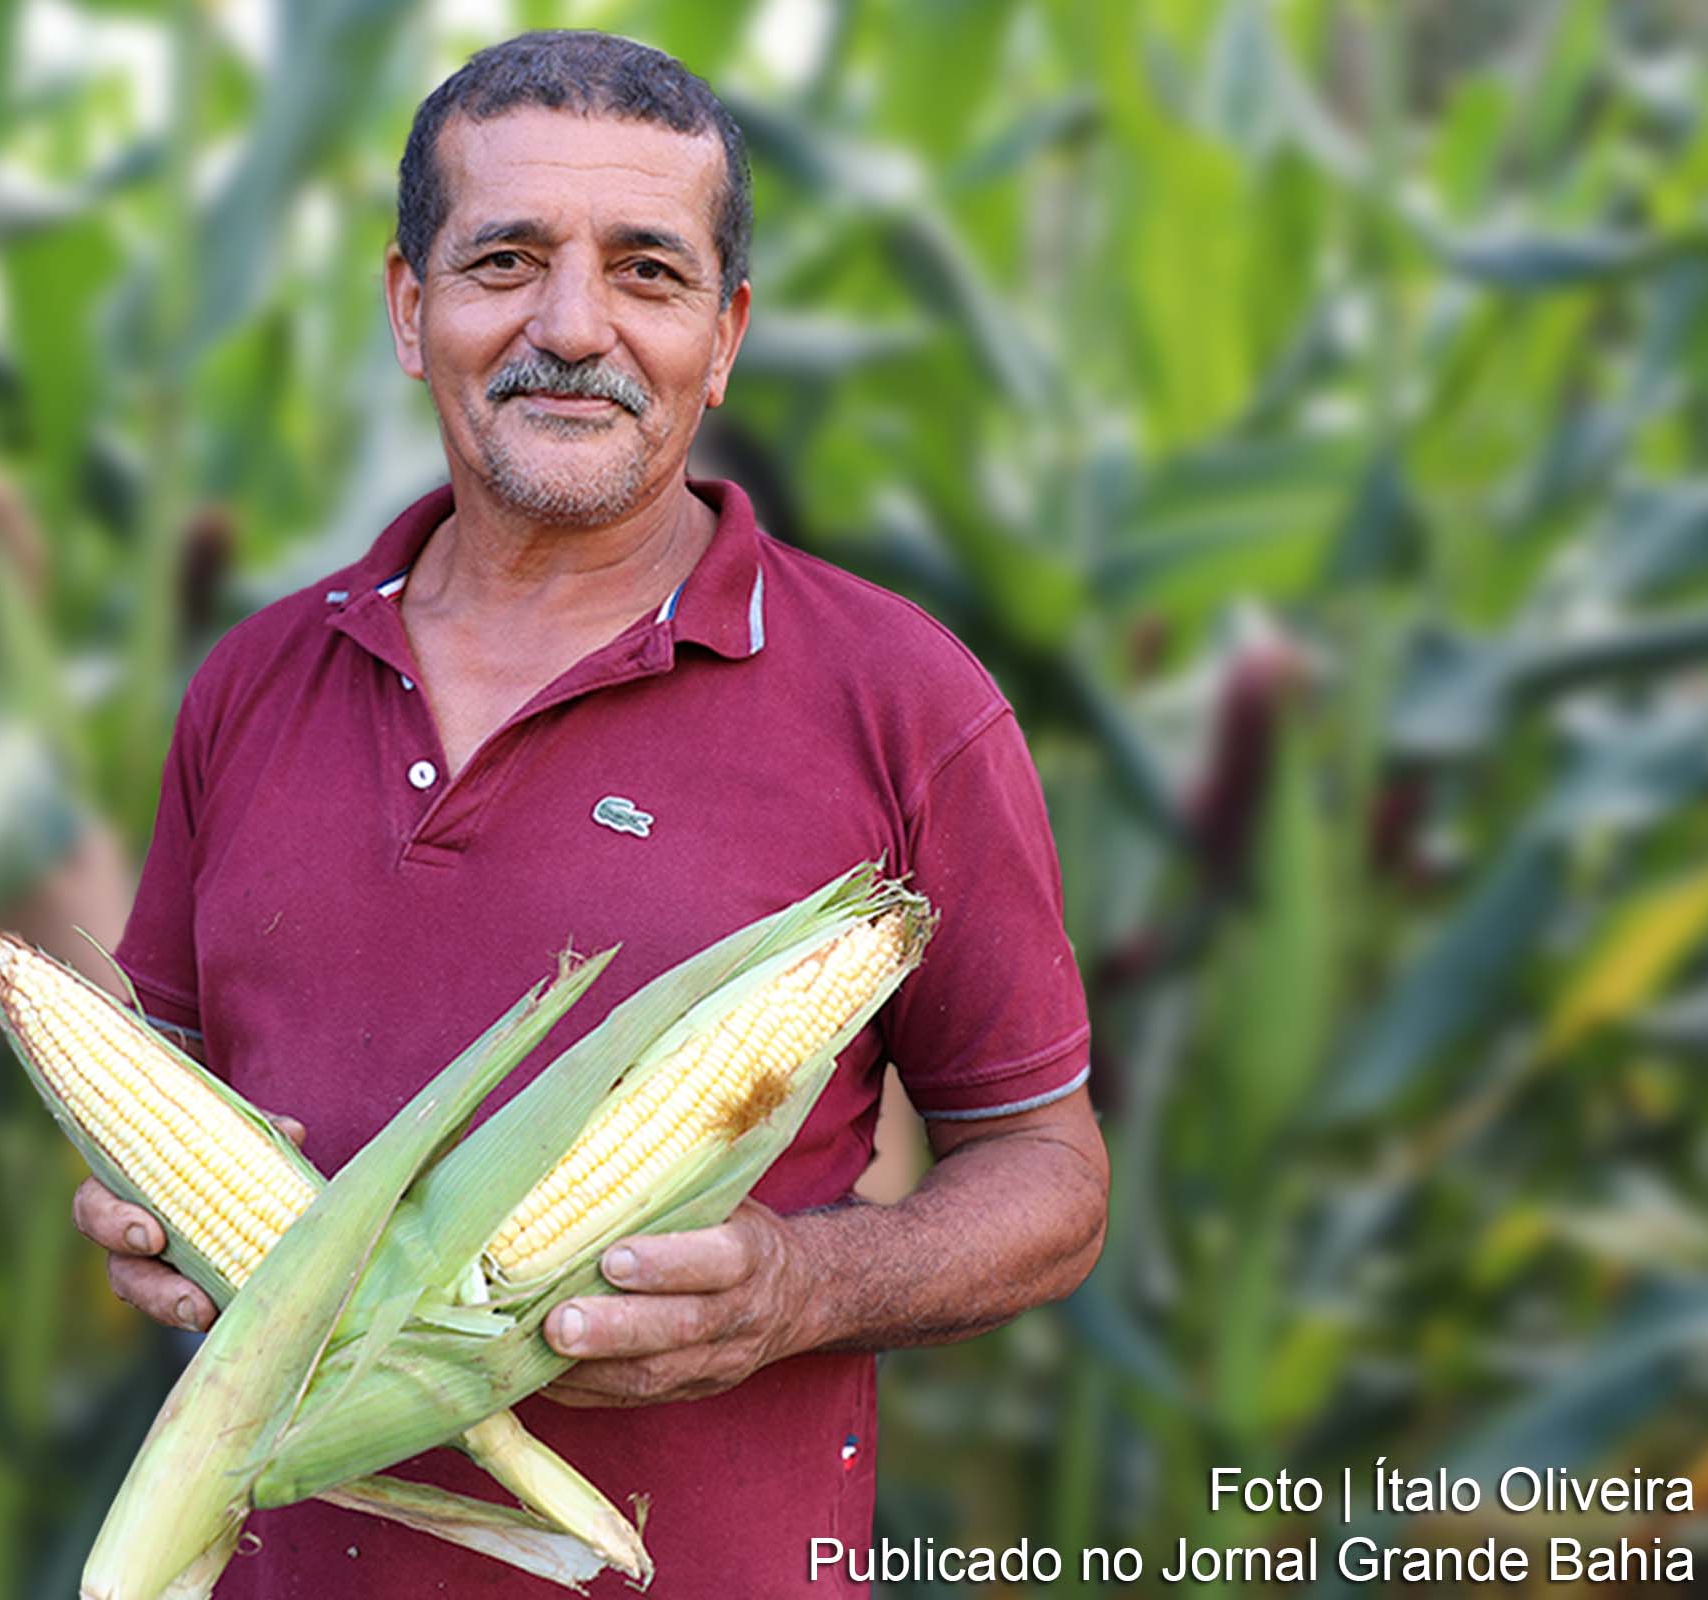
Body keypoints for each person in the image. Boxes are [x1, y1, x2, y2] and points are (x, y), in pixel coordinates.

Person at [71, 30, 1108, 1597]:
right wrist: (142, 1207)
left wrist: (799, 1287)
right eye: (504, 260)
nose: (573, 326)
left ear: (727, 333)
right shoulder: (255, 682)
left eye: (647, 272)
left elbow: (1049, 1175)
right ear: (412, 312)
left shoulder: (902, 698)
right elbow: (167, 1091)